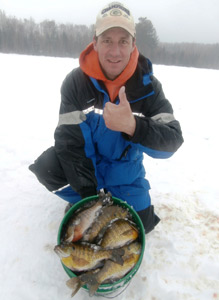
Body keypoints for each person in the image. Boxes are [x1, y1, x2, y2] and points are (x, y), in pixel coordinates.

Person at [29, 2, 183, 234]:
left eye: (123, 41)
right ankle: (81, 198)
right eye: (107, 40)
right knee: (47, 167)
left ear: (133, 45)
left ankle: (110, 201)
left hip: (125, 176)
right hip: (87, 169)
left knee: (141, 226)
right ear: (95, 43)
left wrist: (133, 126)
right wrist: (89, 198)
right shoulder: (75, 83)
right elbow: (69, 144)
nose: (115, 51)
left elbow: (171, 142)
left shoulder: (148, 86)